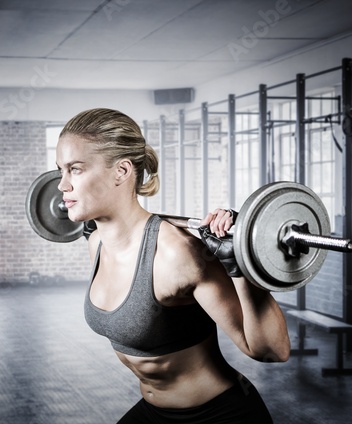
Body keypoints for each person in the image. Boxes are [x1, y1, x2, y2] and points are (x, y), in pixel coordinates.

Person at [56, 108, 290, 423]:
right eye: (60, 170)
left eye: (76, 169)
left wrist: (242, 267)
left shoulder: (178, 254)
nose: (61, 185)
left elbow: (271, 351)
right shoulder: (96, 242)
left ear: (121, 172)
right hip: (155, 411)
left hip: (221, 414)